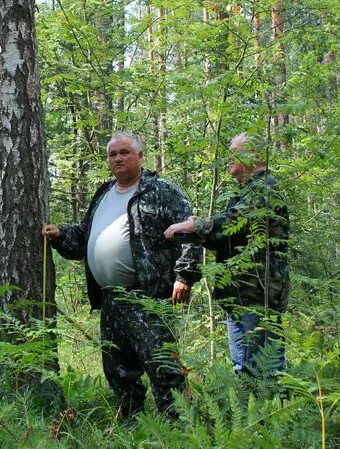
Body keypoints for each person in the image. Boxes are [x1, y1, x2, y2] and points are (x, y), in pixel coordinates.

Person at [43, 132, 201, 417]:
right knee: (117, 366)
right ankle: (131, 417)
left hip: (147, 296)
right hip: (111, 298)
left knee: (162, 362)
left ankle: (179, 421)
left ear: (140, 156)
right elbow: (83, 235)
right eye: (113, 154)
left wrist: (185, 275)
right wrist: (59, 234)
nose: (118, 158)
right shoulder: (103, 194)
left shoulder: (161, 190)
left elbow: (189, 230)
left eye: (125, 152)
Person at [164, 133, 289, 377]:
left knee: (264, 369)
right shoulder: (245, 191)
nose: (228, 158)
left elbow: (234, 223)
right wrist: (198, 230)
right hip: (241, 294)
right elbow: (227, 236)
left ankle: (273, 412)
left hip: (259, 295)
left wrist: (196, 225)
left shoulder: (265, 188)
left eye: (234, 151)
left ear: (253, 155)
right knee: (244, 367)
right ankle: (251, 412)